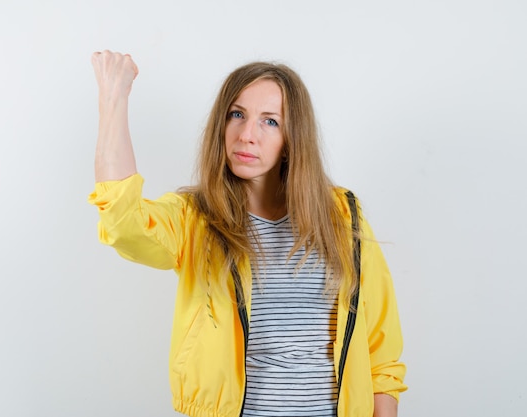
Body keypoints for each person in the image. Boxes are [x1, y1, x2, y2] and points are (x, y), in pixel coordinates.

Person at [88, 50, 407, 417]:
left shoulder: (342, 214)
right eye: (237, 115)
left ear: (293, 137)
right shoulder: (195, 219)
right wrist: (114, 98)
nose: (246, 135)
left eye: (269, 121)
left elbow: (381, 355)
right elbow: (122, 221)